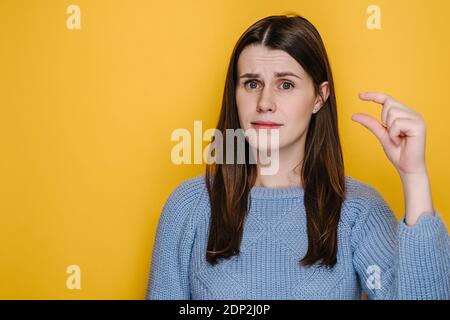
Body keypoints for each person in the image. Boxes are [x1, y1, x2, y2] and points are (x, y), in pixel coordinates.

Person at [145, 14, 450, 300]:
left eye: (286, 84)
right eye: (252, 83)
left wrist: (414, 177)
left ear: (320, 97)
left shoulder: (359, 211)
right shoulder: (188, 206)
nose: (265, 102)